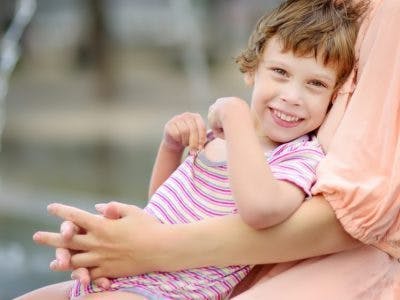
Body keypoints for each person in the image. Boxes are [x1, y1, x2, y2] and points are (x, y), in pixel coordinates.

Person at [21, 0, 400, 298]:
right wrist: (171, 148)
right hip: (139, 274)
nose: (292, 97)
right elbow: (165, 203)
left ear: (334, 98)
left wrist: (235, 115)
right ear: (251, 69)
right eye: (280, 73)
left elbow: (261, 211)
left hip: (172, 290)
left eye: (315, 84)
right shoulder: (221, 140)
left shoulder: (300, 158)